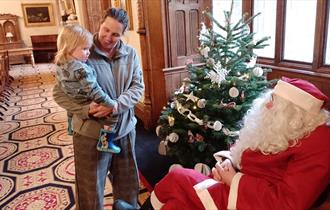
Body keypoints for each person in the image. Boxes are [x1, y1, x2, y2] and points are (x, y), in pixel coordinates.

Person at [114, 77, 330, 210]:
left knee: (179, 178)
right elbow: (251, 150)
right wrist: (228, 163)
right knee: (178, 203)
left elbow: (288, 204)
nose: (266, 105)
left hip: (251, 201)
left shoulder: (319, 144)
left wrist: (235, 179)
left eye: (274, 102)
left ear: (293, 113)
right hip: (238, 184)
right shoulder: (288, 127)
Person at [52, 7, 144, 210]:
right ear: (100, 24)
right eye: (105, 30)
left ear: (123, 35)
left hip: (124, 130)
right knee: (90, 190)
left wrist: (116, 106)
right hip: (89, 134)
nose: (108, 37)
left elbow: (138, 87)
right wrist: (86, 110)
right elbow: (59, 94)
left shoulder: (130, 54)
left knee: (128, 187)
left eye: (115, 34)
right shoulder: (81, 50)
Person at [54, 24, 120, 153]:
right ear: (69, 48)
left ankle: (70, 126)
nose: (88, 52)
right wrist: (110, 103)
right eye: (84, 49)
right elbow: (93, 90)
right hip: (85, 100)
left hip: (71, 96)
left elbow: (60, 84)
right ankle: (106, 142)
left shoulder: (60, 64)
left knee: (70, 110)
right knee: (112, 115)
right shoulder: (81, 69)